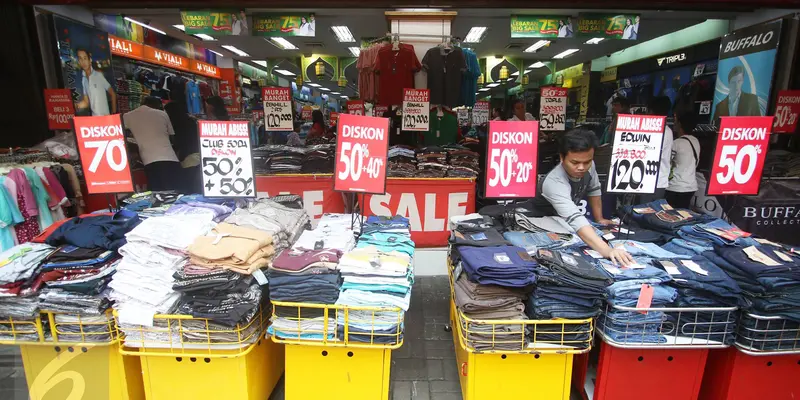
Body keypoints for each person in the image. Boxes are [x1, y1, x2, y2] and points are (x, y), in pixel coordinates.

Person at [532, 129, 634, 266]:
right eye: (574, 162)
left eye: (587, 162)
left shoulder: (589, 166)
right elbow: (575, 218)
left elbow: (594, 189)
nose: (581, 167)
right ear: (562, 158)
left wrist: (599, 219)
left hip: (567, 225)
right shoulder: (554, 182)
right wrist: (607, 251)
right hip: (543, 227)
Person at [123, 97, 185, 192]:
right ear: (155, 105)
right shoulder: (162, 114)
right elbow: (173, 138)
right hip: (171, 160)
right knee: (175, 195)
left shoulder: (127, 116)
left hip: (150, 162)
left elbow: (121, 135)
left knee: (158, 196)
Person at [640, 96, 674, 203]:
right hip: (660, 181)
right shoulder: (668, 131)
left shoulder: (652, 131)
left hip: (648, 182)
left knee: (643, 213)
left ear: (651, 111)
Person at [666, 109, 700, 209]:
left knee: (670, 214)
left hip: (676, 186)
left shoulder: (677, 143)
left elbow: (667, 162)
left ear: (680, 124)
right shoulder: (696, 141)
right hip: (691, 186)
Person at [75, 48, 116, 116]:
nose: (83, 62)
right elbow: (86, 102)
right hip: (95, 120)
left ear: (90, 60)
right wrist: (75, 105)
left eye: (85, 58)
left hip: (106, 119)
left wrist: (114, 114)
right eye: (80, 59)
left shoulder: (98, 75)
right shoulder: (84, 80)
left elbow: (113, 94)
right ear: (79, 61)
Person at [164, 102, 199, 166]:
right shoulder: (192, 122)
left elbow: (177, 143)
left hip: (185, 157)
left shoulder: (175, 125)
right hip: (196, 154)